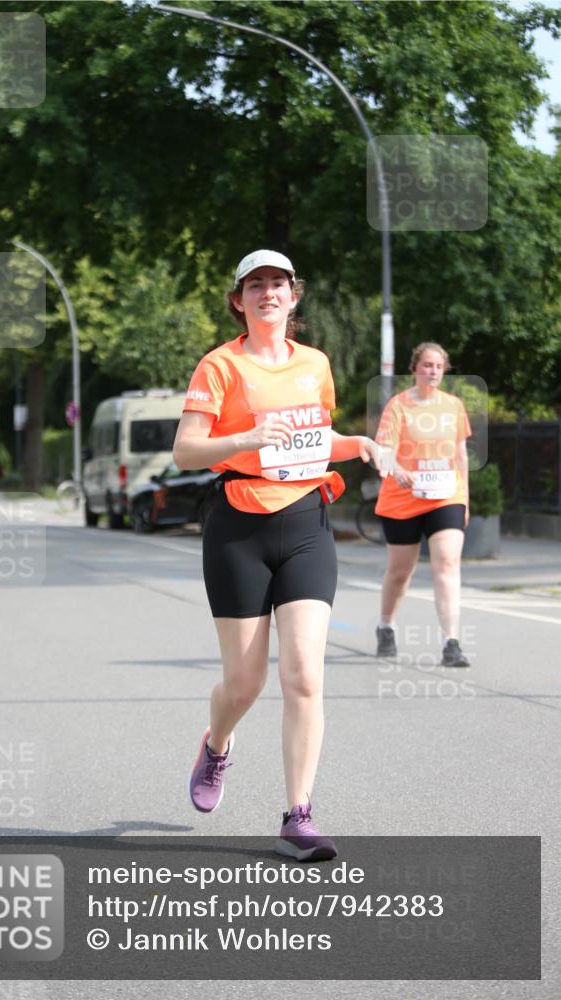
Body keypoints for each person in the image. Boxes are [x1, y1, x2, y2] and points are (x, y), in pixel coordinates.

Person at [173, 249, 387, 861]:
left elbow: (313, 443)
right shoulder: (219, 365)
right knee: (244, 683)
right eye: (256, 284)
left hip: (306, 523)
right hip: (239, 526)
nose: (269, 292)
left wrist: (358, 443)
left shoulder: (314, 365)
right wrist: (244, 437)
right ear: (238, 300)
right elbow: (186, 450)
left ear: (295, 298)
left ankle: (298, 815)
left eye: (280, 283)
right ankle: (217, 744)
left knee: (305, 675)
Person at [374, 342, 471, 667]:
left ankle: (451, 642)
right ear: (414, 368)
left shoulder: (454, 406)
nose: (432, 371)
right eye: (427, 365)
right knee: (401, 571)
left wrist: (465, 499)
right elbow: (383, 449)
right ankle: (386, 625)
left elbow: (460, 455)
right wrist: (397, 470)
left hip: (446, 495)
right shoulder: (398, 406)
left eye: (438, 367)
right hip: (403, 498)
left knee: (447, 563)